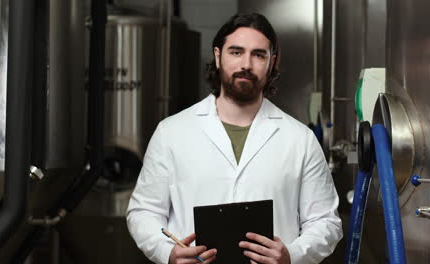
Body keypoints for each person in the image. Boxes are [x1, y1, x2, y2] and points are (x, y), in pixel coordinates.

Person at [126, 13, 342, 264]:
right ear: (218, 56)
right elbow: (143, 212)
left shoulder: (300, 139)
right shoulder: (172, 132)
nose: (246, 64)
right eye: (236, 52)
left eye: (259, 54)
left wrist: (291, 256)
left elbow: (326, 222)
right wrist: (168, 253)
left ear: (272, 62)